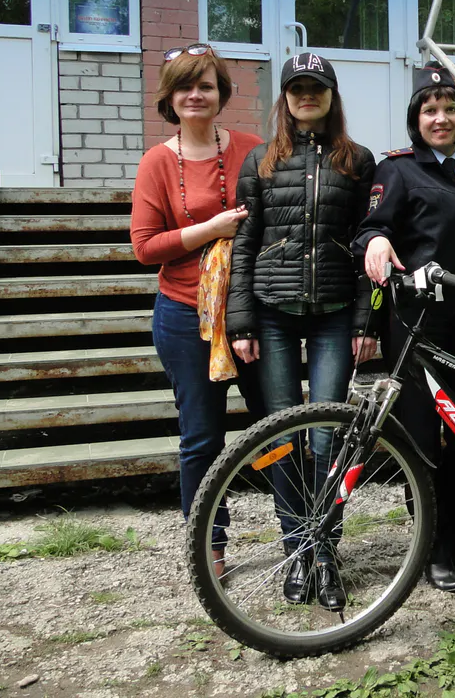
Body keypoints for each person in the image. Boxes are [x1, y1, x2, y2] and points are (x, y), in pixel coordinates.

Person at [226, 52, 377, 613]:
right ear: (285, 98)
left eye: (316, 87)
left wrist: (365, 320)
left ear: (331, 95)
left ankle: (325, 548)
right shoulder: (260, 161)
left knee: (328, 437)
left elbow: (366, 243)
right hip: (273, 313)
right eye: (297, 88)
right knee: (282, 438)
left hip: (336, 313)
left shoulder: (358, 161)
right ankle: (297, 549)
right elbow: (245, 244)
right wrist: (241, 319)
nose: (306, 96)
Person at [130, 43, 264, 579]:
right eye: (185, 86)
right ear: (170, 97)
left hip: (252, 312)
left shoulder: (252, 149)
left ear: (221, 93)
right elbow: (145, 247)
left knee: (276, 427)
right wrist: (211, 229)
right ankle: (208, 545)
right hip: (187, 316)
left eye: (205, 85)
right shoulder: (158, 162)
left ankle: (300, 533)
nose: (195, 95)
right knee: (202, 439)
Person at [353, 64, 455, 594]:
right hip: (414, 330)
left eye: (450, 109)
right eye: (430, 110)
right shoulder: (398, 170)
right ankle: (430, 549)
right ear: (416, 118)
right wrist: (376, 240)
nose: (441, 118)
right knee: (422, 443)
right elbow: (370, 229)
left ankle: (452, 543)